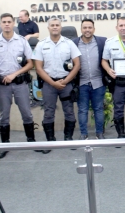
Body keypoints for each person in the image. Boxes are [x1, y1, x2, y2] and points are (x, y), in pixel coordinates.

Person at [0, 13, 40, 159]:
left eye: (9, 22)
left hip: (20, 83)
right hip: (2, 84)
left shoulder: (21, 41)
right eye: (4, 22)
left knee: (27, 113)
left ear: (13, 23)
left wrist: (14, 74)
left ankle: (31, 142)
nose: (7, 24)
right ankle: (5, 145)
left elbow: (30, 63)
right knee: (4, 116)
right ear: (0, 24)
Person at [32, 18, 81, 153]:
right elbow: (39, 68)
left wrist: (65, 81)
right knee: (48, 112)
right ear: (48, 28)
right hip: (49, 84)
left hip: (66, 83)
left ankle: (68, 138)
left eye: (57, 25)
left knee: (69, 111)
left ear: (61, 27)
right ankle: (50, 141)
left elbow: (77, 64)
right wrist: (53, 83)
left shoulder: (69, 43)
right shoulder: (41, 44)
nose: (55, 27)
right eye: (52, 25)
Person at [72, 19, 107, 140]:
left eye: (90, 27)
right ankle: (83, 134)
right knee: (82, 110)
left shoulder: (102, 41)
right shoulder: (73, 43)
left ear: (94, 29)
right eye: (85, 27)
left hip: (98, 82)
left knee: (98, 109)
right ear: (81, 29)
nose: (87, 30)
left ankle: (99, 133)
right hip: (81, 83)